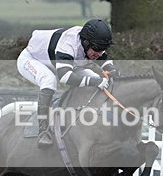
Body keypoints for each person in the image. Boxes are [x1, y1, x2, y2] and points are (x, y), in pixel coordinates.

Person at [17, 18, 118, 147]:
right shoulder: (68, 44)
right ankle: (43, 132)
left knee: (93, 76)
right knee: (49, 80)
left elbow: (104, 61)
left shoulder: (94, 44)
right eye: (97, 49)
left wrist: (112, 70)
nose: (98, 54)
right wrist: (95, 81)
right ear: (85, 42)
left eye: (102, 49)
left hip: (59, 63)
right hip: (33, 60)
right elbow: (65, 77)